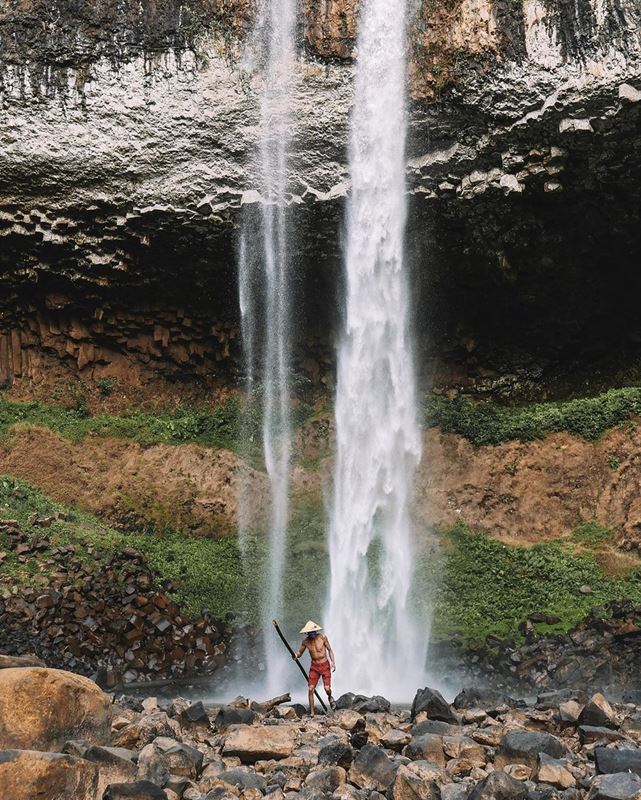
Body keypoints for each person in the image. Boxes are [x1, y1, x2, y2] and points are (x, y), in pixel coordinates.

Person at [293, 620, 336, 716]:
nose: (311, 634)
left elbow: (330, 650)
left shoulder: (322, 637)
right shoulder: (305, 642)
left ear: (316, 631)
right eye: (309, 633)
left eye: (313, 632)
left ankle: (330, 697)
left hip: (325, 665)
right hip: (314, 667)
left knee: (327, 689)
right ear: (307, 633)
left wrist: (333, 662)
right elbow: (300, 653)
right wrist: (296, 655)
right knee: (310, 689)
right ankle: (312, 712)